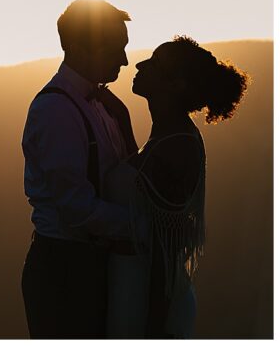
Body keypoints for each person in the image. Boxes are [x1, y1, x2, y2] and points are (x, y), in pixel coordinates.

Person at [103, 36, 248, 338]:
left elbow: (165, 253)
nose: (141, 64)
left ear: (177, 85)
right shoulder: (168, 137)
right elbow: (141, 180)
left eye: (156, 63)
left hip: (148, 303)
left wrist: (154, 329)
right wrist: (121, 116)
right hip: (136, 292)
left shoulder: (176, 147)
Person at [20, 0, 139, 338]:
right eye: (115, 48)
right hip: (65, 270)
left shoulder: (105, 104)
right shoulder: (55, 110)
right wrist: (142, 227)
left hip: (94, 264)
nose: (125, 60)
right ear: (78, 48)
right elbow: (75, 207)